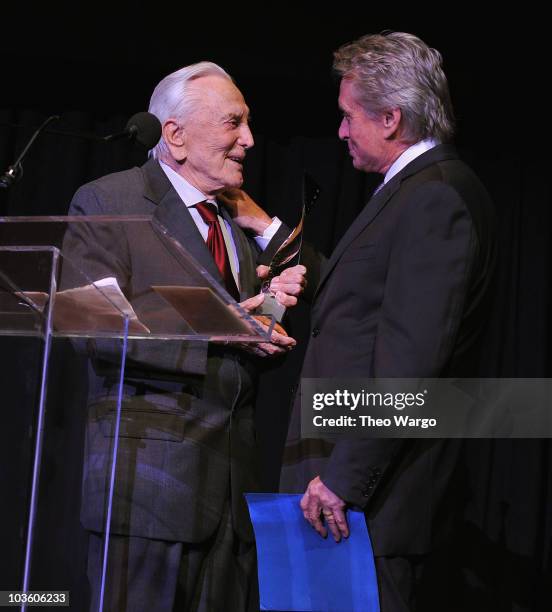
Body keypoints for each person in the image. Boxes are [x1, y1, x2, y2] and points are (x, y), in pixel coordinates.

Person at [222, 32, 496, 612]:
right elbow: (359, 298)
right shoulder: (414, 191)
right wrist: (264, 225)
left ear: (391, 118)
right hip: (357, 492)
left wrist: (345, 477)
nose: (342, 131)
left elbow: (411, 362)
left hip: (373, 503)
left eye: (349, 117)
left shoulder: (434, 198)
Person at [65, 61, 305, 611]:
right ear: (174, 135)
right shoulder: (111, 203)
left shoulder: (227, 223)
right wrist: (221, 329)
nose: (248, 140)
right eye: (233, 123)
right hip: (145, 492)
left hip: (228, 496)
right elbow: (92, 325)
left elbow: (232, 343)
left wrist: (262, 324)